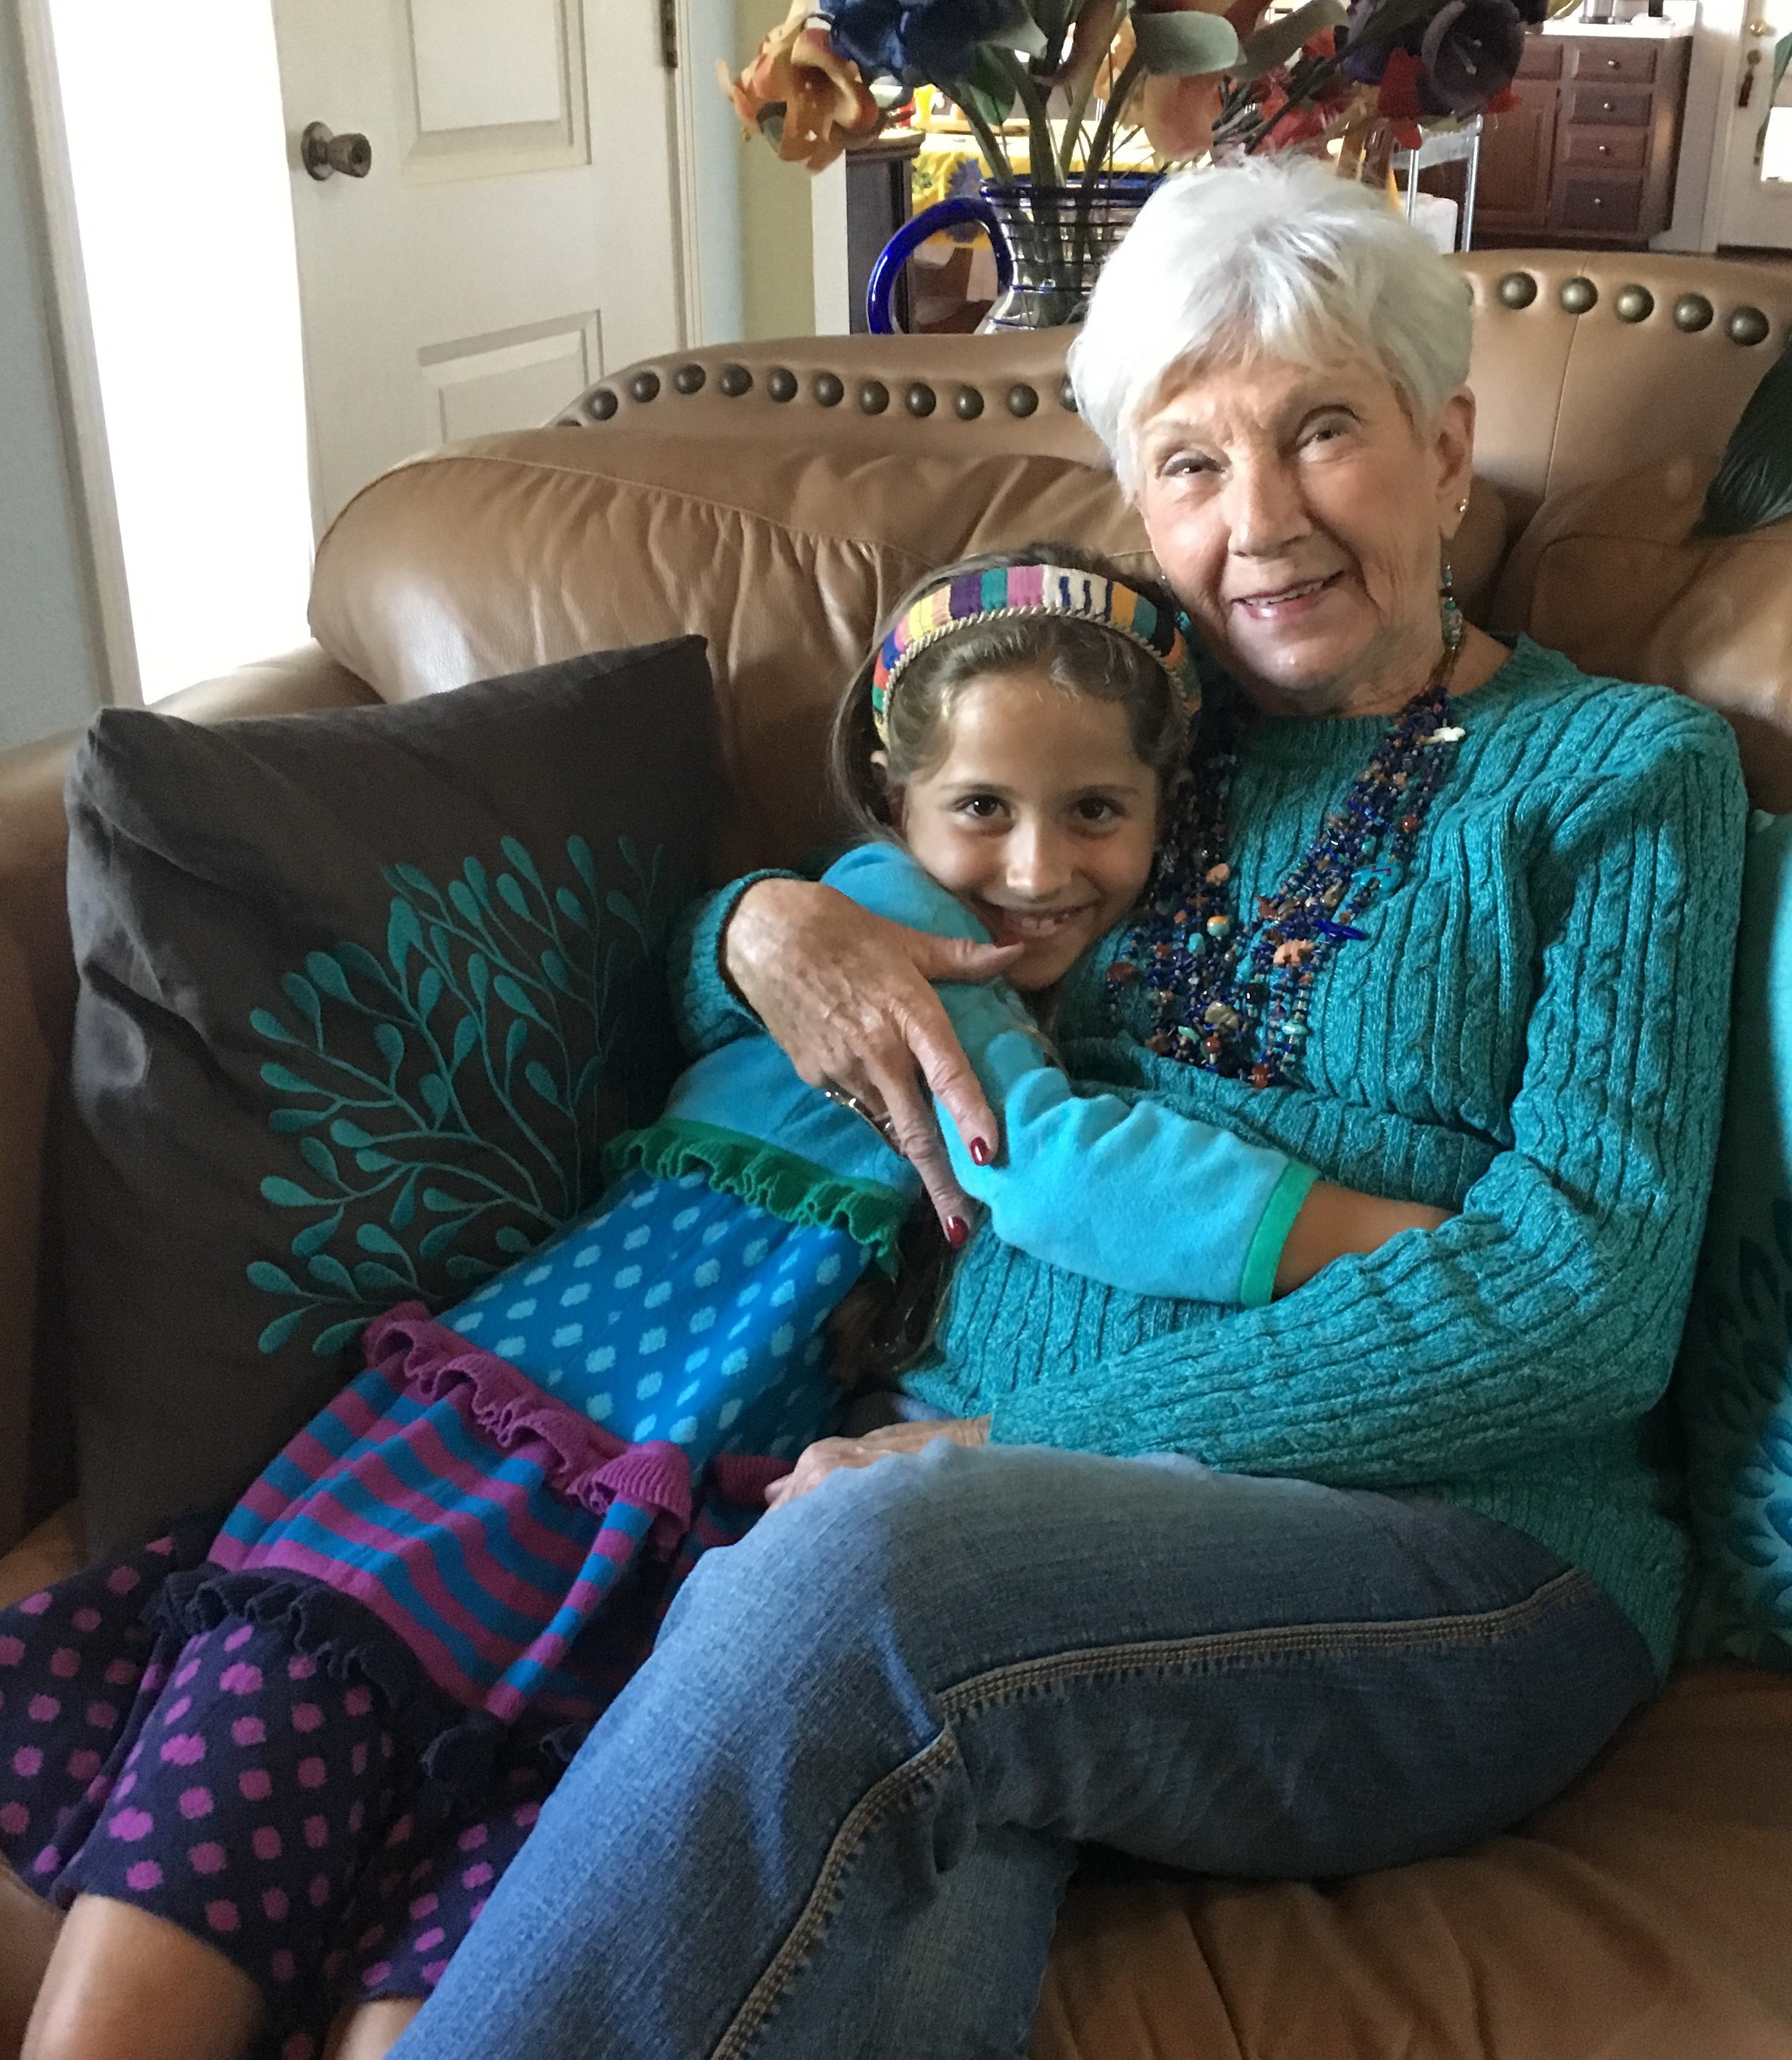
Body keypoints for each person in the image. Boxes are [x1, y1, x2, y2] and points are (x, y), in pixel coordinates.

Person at [387, 153, 1752, 2060]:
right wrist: (760, 925)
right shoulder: (1121, 738)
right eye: (1190, 463)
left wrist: (1009, 1444)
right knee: (883, 1906)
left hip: (1461, 1544)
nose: (1259, 519)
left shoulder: (1617, 772)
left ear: (1447, 449)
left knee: (860, 1587)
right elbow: (826, 939)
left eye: (1323, 431)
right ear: (1138, 505)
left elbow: (1582, 1306)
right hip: (1008, 1531)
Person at [5, 544, 1432, 2060]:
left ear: (1166, 804)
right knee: (232, 1826)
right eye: (981, 809)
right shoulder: (881, 914)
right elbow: (1043, 1162)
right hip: (529, 1424)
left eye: (1096, 811)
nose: (1034, 869)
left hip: (681, 1534)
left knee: (493, 1925)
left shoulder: (1103, 983)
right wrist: (1399, 1237)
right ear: (895, 802)